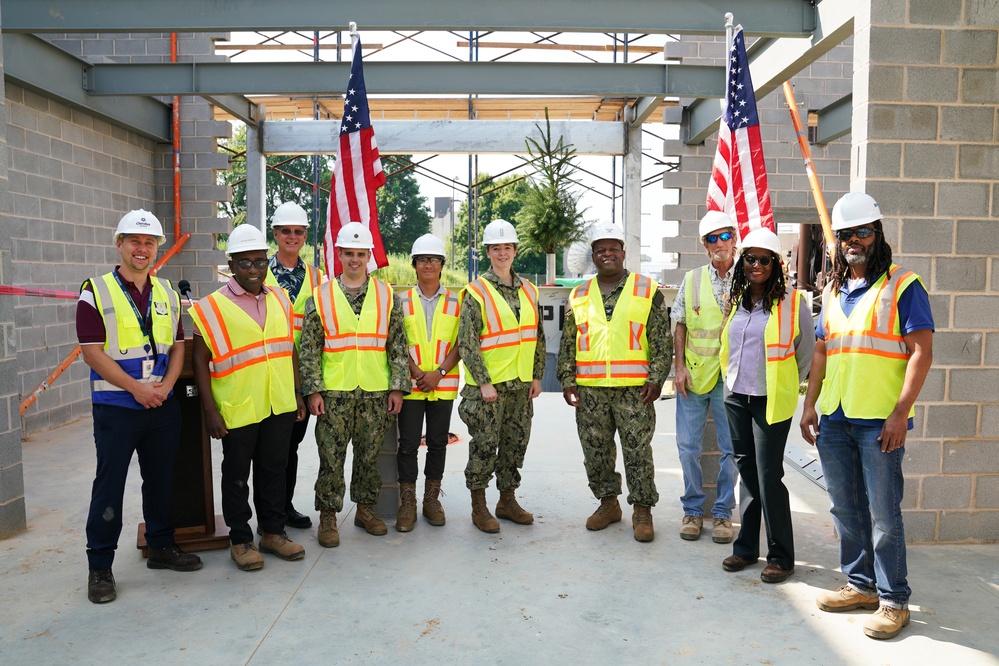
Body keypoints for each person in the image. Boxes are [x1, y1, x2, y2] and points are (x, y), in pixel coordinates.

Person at [800, 192, 934, 640]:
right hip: (835, 417)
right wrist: (809, 404)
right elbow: (821, 350)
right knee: (844, 506)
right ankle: (861, 585)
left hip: (880, 420)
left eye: (863, 231)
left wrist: (900, 413)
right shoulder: (834, 290)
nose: (854, 240)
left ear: (878, 235)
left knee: (882, 511)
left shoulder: (904, 284)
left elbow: (921, 353)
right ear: (836, 242)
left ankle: (894, 600)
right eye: (846, 235)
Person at [76, 209, 202, 604]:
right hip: (117, 407)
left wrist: (163, 387)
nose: (142, 248)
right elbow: (92, 353)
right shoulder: (95, 290)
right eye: (135, 241)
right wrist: (137, 389)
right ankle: (100, 566)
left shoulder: (167, 293)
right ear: (120, 244)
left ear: (157, 248)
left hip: (160, 405)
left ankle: (161, 546)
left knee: (163, 478)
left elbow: (179, 346)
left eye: (149, 242)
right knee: (109, 485)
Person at [190, 224, 307, 571]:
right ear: (231, 264)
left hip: (279, 402)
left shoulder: (281, 298)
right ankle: (240, 540)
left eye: (260, 262)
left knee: (274, 470)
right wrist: (209, 410)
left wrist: (298, 393)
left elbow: (289, 350)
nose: (254, 270)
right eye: (245, 263)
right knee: (237, 474)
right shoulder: (209, 307)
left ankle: (272, 532)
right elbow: (199, 360)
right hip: (238, 406)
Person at [557, 222, 672, 542]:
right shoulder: (579, 294)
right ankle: (608, 504)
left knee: (637, 451)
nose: (606, 254)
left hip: (635, 390)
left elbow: (661, 341)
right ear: (593, 256)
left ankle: (642, 509)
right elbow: (569, 341)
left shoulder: (646, 289)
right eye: (600, 250)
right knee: (596, 451)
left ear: (623, 253)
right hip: (591, 389)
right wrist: (567, 378)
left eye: (612, 249)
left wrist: (657, 377)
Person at [298, 222, 409, 547]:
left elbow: (398, 345)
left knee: (368, 457)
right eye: (349, 253)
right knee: (331, 458)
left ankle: (365, 509)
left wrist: (397, 387)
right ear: (340, 254)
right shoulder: (321, 296)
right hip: (334, 394)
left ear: (369, 256)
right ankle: (329, 517)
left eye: (361, 254)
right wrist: (313, 390)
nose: (355, 260)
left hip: (376, 392)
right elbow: (310, 348)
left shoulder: (387, 295)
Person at [717, 228, 814, 583]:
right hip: (736, 395)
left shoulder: (793, 302)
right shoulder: (737, 298)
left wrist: (785, 384)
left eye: (764, 259)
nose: (756, 265)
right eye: (750, 258)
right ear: (742, 263)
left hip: (770, 399)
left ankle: (781, 557)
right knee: (747, 472)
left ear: (776, 263)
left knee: (769, 475)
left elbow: (805, 354)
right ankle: (745, 549)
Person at [458, 219, 544, 533]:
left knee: (514, 444)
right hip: (488, 389)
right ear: (488, 252)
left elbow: (537, 335)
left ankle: (506, 500)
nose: (502, 253)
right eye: (496, 248)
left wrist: (536, 376)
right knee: (484, 445)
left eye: (507, 247)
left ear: (515, 250)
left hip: (520, 386)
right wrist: (483, 382)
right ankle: (479, 506)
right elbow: (467, 342)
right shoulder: (476, 291)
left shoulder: (529, 290)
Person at [671, 210, 739, 543]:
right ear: (704, 245)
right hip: (696, 376)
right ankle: (694, 511)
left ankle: (724, 515)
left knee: (731, 449)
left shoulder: (749, 276)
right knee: (687, 447)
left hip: (733, 380)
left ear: (735, 238)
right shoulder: (693, 278)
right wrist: (679, 367)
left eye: (724, 236)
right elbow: (680, 322)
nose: (719, 243)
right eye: (712, 238)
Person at [264, 201, 324, 531]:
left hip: (303, 375)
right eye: (286, 231)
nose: (292, 236)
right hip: (269, 371)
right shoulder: (260, 272)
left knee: (291, 447)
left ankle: (284, 508)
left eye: (298, 231)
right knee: (269, 450)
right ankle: (268, 515)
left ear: (304, 236)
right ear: (276, 233)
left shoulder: (317, 277)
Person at [395, 234, 462, 532]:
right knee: (408, 445)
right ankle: (407, 502)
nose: (428, 265)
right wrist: (418, 372)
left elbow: (462, 342)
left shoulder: (456, 301)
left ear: (442, 265)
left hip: (443, 385)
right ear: (414, 265)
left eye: (433, 260)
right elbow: (396, 341)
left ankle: (431, 500)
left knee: (437, 444)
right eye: (422, 260)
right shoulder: (402, 300)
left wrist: (440, 373)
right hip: (412, 386)